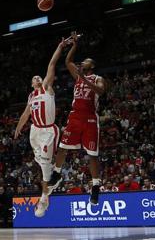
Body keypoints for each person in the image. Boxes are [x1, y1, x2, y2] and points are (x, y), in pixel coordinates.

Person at [14, 36, 73, 217]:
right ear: (32, 84)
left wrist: (60, 46)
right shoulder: (31, 97)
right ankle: (47, 190)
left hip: (48, 129)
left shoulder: (47, 88)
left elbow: (51, 64)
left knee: (46, 163)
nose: (37, 77)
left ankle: (45, 196)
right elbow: (26, 114)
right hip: (34, 131)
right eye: (34, 78)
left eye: (38, 76)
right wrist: (18, 128)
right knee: (41, 164)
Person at [48, 34, 106, 206]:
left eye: (85, 61)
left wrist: (85, 79)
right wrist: (74, 45)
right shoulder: (78, 75)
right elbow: (67, 62)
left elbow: (100, 91)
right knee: (62, 148)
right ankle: (57, 173)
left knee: (92, 155)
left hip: (89, 119)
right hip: (75, 117)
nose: (82, 63)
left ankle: (95, 186)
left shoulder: (97, 78)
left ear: (92, 66)